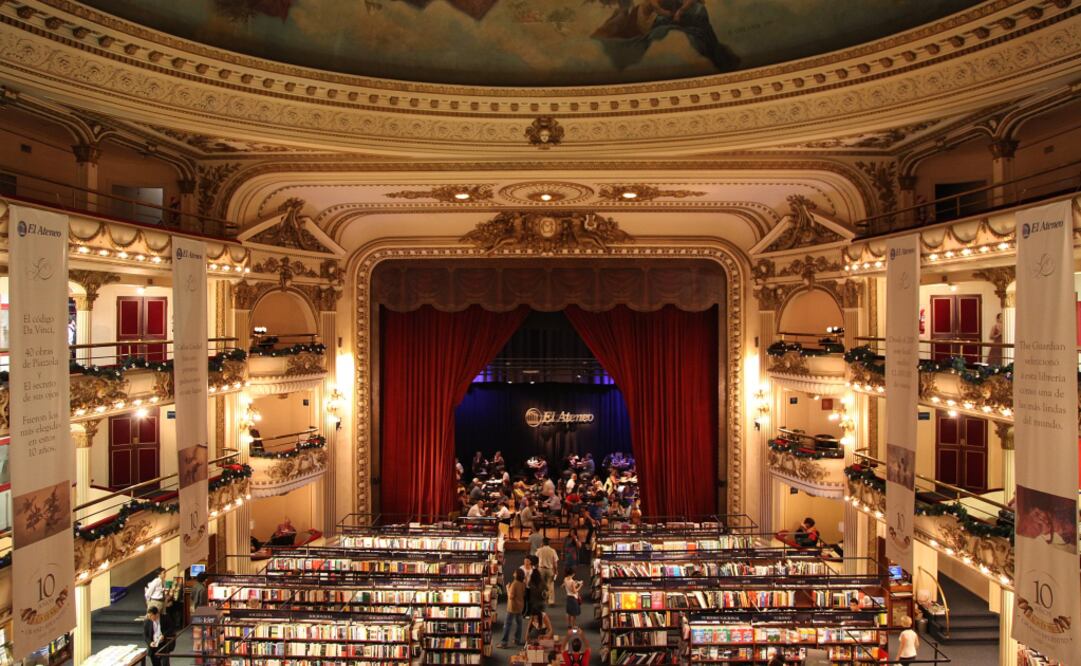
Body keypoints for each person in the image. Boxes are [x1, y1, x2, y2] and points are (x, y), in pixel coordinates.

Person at [499, 569, 526, 648]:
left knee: (507, 624)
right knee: (519, 624)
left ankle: (504, 642)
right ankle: (517, 640)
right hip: (520, 606)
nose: (513, 573)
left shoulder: (514, 584)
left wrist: (508, 589)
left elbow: (511, 597)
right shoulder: (523, 583)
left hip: (512, 607)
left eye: (515, 572)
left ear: (517, 575)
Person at [536, 537, 559, 602]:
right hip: (550, 569)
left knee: (541, 584)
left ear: (542, 543)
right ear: (549, 543)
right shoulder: (552, 550)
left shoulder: (539, 550)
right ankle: (551, 600)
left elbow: (536, 560)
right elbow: (555, 562)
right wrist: (556, 570)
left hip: (541, 569)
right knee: (550, 585)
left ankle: (541, 598)